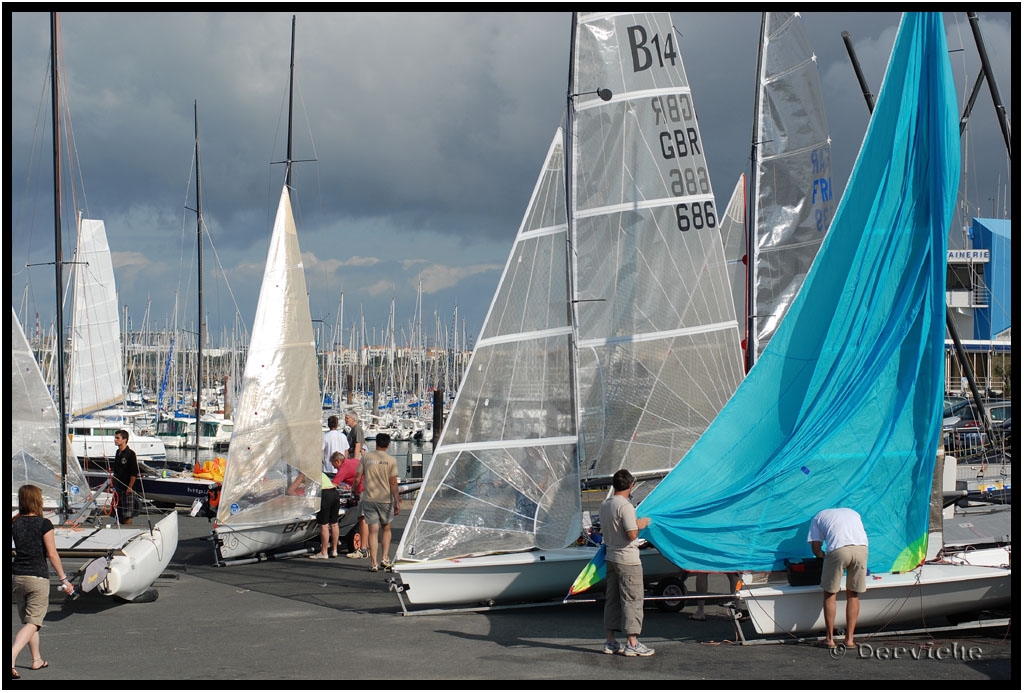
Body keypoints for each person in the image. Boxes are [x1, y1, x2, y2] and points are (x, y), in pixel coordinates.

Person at [12, 484, 75, 679]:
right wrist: (64, 579)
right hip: (37, 577)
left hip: (17, 577)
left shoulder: (13, 522)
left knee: (29, 620)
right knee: (34, 623)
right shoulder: (44, 523)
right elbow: (52, 554)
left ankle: (36, 660)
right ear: (37, 501)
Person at [600, 469, 654, 657]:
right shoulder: (626, 507)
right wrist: (641, 523)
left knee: (613, 600)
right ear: (631, 486)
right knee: (632, 600)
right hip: (628, 560)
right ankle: (632, 643)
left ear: (614, 485)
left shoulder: (605, 504)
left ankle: (610, 641)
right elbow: (631, 533)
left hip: (611, 558)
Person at [808, 507, 869, 649]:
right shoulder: (853, 512)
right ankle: (849, 640)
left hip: (838, 549)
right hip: (862, 548)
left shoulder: (817, 517)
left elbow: (816, 548)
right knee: (853, 594)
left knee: (830, 594)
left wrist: (822, 556)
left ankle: (829, 639)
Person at [353, 432, 400, 572]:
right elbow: (393, 483)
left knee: (373, 531)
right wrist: (397, 501)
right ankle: (384, 558)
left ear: (376, 443)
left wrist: (354, 490)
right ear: (388, 444)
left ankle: (373, 562)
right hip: (385, 499)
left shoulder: (366, 457)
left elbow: (357, 477)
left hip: (369, 498)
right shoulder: (391, 460)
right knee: (386, 528)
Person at [310, 455, 343, 559]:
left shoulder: (306, 472)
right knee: (334, 523)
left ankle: (324, 552)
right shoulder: (322, 474)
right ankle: (334, 550)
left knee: (323, 525)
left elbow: (292, 489)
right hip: (334, 493)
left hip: (325, 495)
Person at [111, 429, 139, 525]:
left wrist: (130, 487)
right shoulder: (117, 453)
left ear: (124, 440)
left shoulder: (130, 454)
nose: (115, 440)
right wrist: (111, 483)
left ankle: (129, 532)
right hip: (118, 487)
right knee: (118, 514)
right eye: (115, 438)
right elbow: (116, 471)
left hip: (127, 488)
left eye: (117, 438)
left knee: (127, 515)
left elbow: (134, 472)